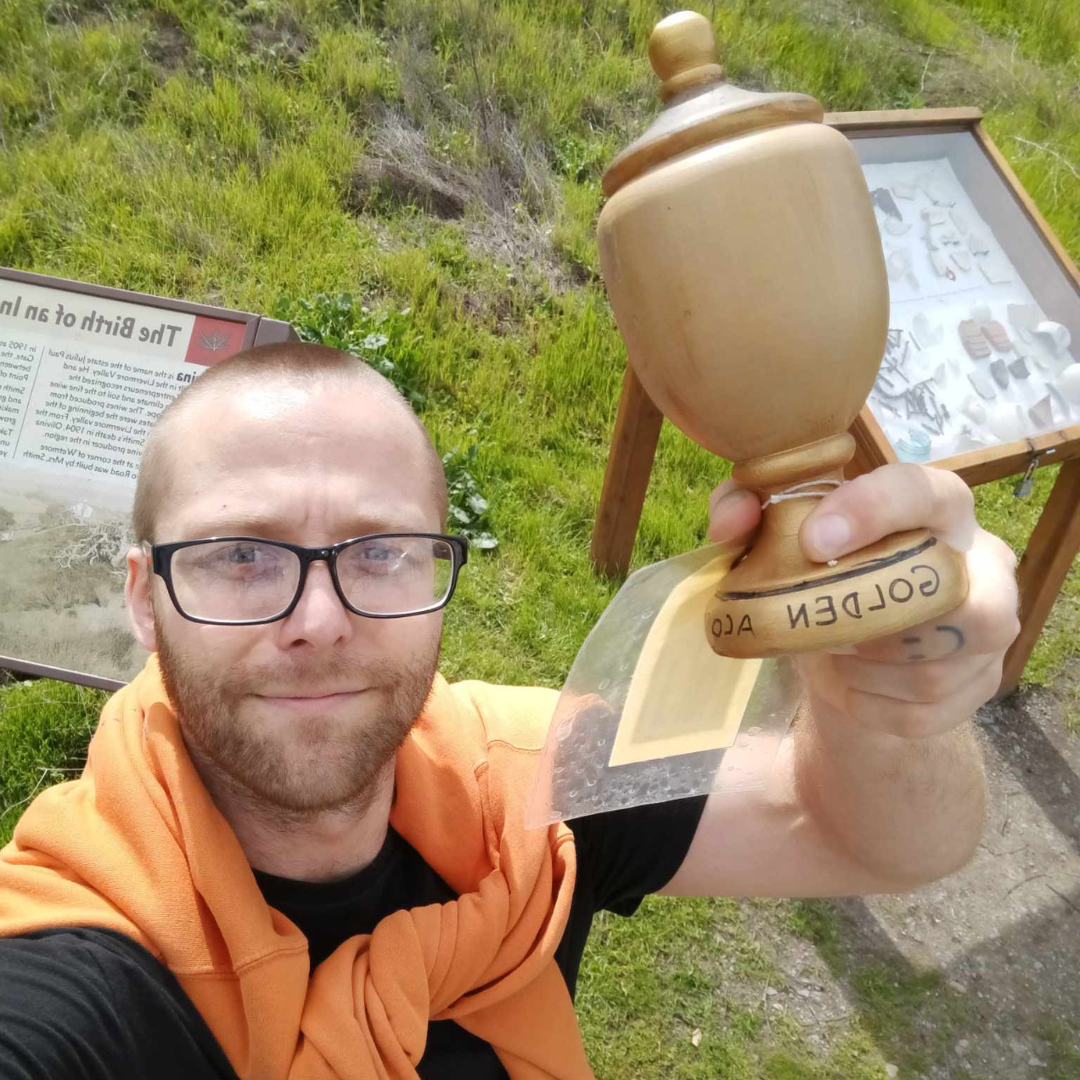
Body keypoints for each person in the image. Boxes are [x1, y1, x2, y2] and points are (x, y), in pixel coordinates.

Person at [0, 342, 1019, 1080]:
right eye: (239, 555)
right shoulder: (82, 956)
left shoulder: (526, 783)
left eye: (380, 551)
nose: (319, 620)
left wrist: (892, 716)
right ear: (142, 594)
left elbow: (876, 840)